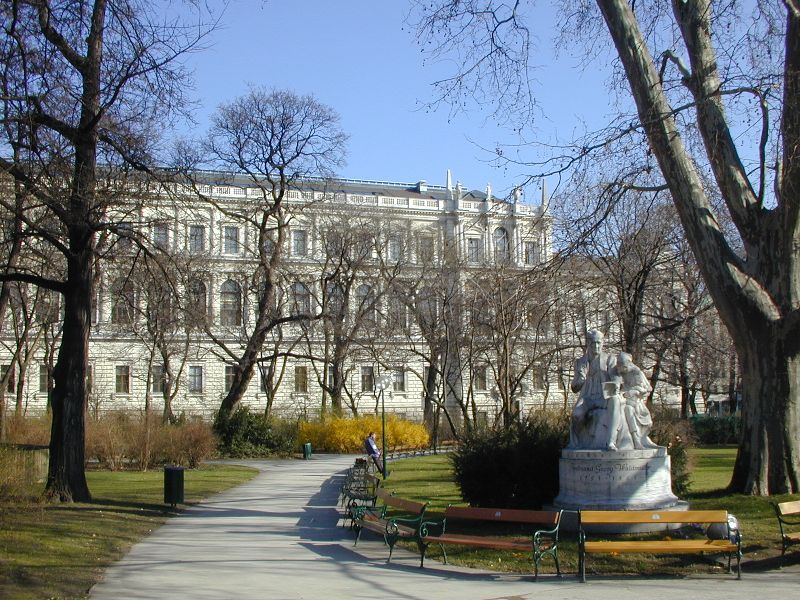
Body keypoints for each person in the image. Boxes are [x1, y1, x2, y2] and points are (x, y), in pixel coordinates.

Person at [568, 329, 631, 450]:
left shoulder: (609, 359)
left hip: (604, 398)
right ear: (588, 343)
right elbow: (574, 388)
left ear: (602, 343)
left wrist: (615, 384)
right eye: (593, 343)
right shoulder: (581, 362)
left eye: (599, 343)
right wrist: (581, 378)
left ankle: (611, 441)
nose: (596, 346)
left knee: (615, 400)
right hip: (587, 399)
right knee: (576, 415)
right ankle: (580, 443)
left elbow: (617, 379)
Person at [616, 352, 658, 449]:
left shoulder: (637, 372)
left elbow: (648, 389)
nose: (621, 369)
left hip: (636, 403)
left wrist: (634, 391)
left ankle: (639, 439)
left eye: (623, 366)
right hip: (624, 401)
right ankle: (632, 439)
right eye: (620, 365)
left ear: (628, 363)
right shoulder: (620, 373)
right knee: (624, 409)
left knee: (630, 410)